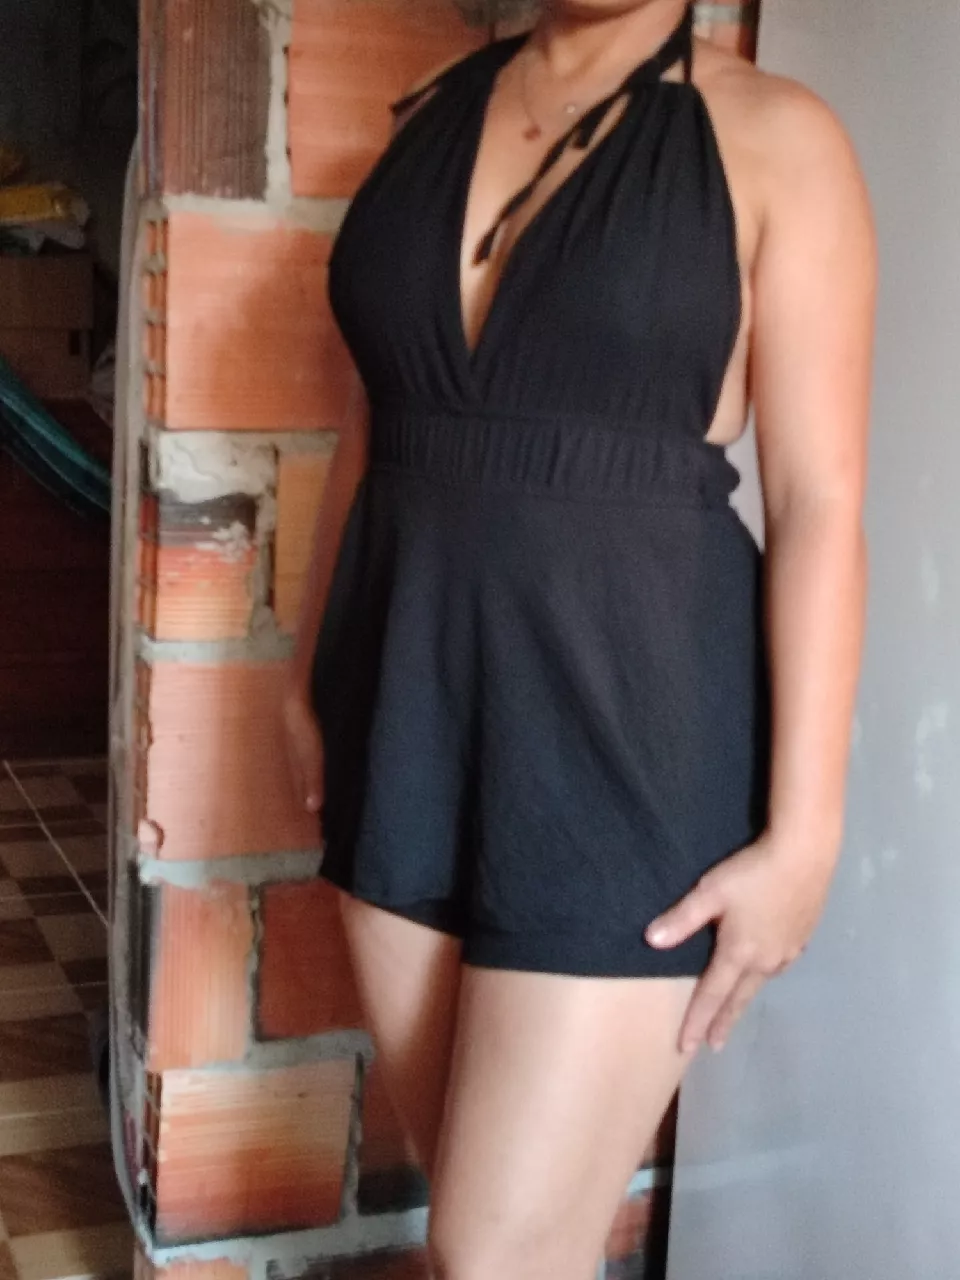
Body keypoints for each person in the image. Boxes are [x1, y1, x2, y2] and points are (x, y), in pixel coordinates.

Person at [283, 2, 875, 1275]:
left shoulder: (779, 138)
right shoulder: (432, 111)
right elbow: (370, 421)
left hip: (626, 750)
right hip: (402, 712)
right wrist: (303, 673)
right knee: (490, 1236)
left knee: (495, 1248)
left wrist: (807, 832)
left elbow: (821, 503)